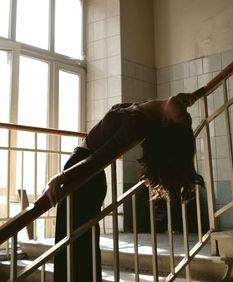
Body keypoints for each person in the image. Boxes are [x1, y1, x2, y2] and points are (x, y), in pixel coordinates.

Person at [45, 92, 204, 282]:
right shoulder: (147, 109)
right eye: (185, 113)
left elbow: (103, 156)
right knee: (74, 242)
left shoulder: (139, 125)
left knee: (74, 244)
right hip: (82, 171)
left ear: (166, 123)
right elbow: (184, 99)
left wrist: (63, 176)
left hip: (84, 175)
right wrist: (192, 96)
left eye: (183, 118)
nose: (186, 113)